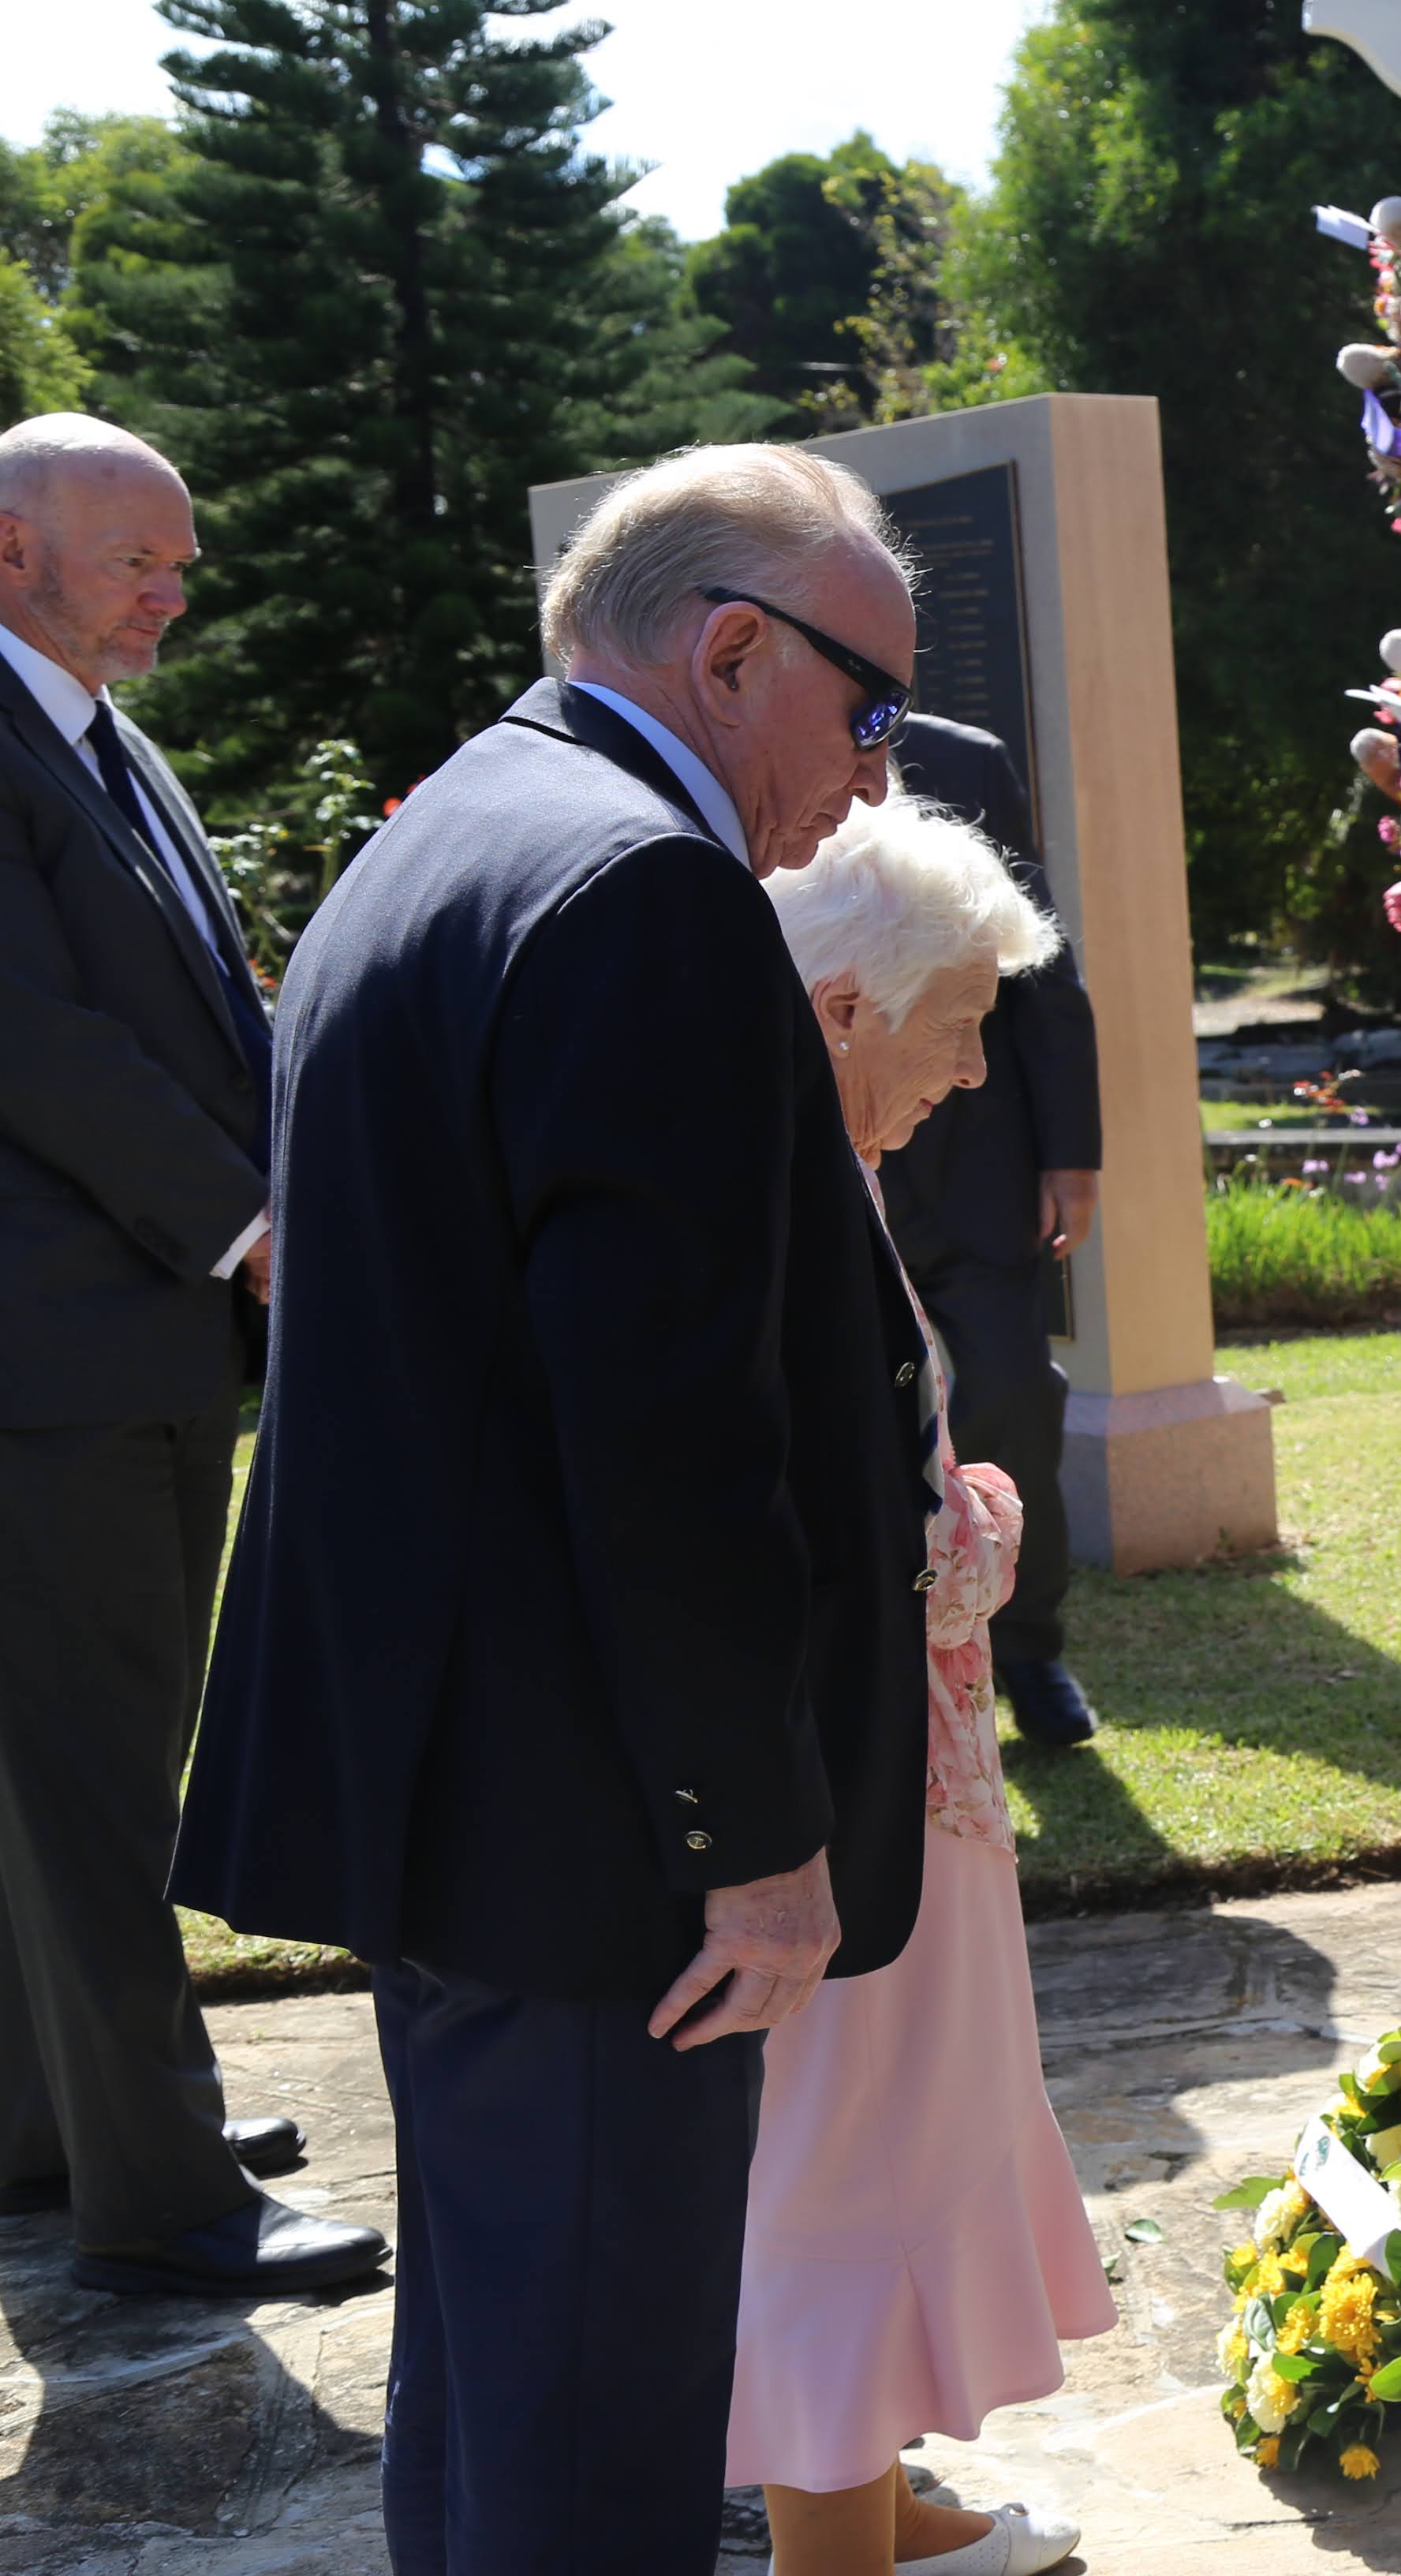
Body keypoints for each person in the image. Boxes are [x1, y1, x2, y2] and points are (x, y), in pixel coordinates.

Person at [177, 444, 934, 2574]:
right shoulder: (640, 892)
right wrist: (757, 1846)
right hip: (607, 1832)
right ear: (728, 651)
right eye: (869, 710)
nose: (871, 784)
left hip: (473, 1793)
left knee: (509, 2375)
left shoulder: (443, 839)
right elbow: (665, 1430)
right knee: (593, 2418)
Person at [0, 413, 384, 2298]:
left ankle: (63, 2124)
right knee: (85, 1776)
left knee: (95, 1757)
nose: (179, 586)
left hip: (126, 1347)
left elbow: (201, 1008)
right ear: (12, 550)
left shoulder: (103, 732)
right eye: (143, 556)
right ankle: (161, 2204)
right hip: (45, 1364)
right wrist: (252, 1227)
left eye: (184, 556)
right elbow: (39, 1044)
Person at [732, 794, 1114, 2576]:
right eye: (958, 1019)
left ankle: (881, 2504)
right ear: (840, 1005)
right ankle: (836, 2546)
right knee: (843, 2174)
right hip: (852, 1790)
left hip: (924, 1776)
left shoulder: (835, 1163)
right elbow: (828, 1529)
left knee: (899, 2146)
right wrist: (984, 1522)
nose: (977, 1065)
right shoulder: (774, 1192)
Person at [876, 713, 1104, 1748]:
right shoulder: (743, 763)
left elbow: (1041, 969)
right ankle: (890, 1669)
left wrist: (1071, 1153)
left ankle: (1031, 1648)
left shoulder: (968, 764)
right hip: (842, 1151)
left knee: (1013, 1386)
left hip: (980, 1155)